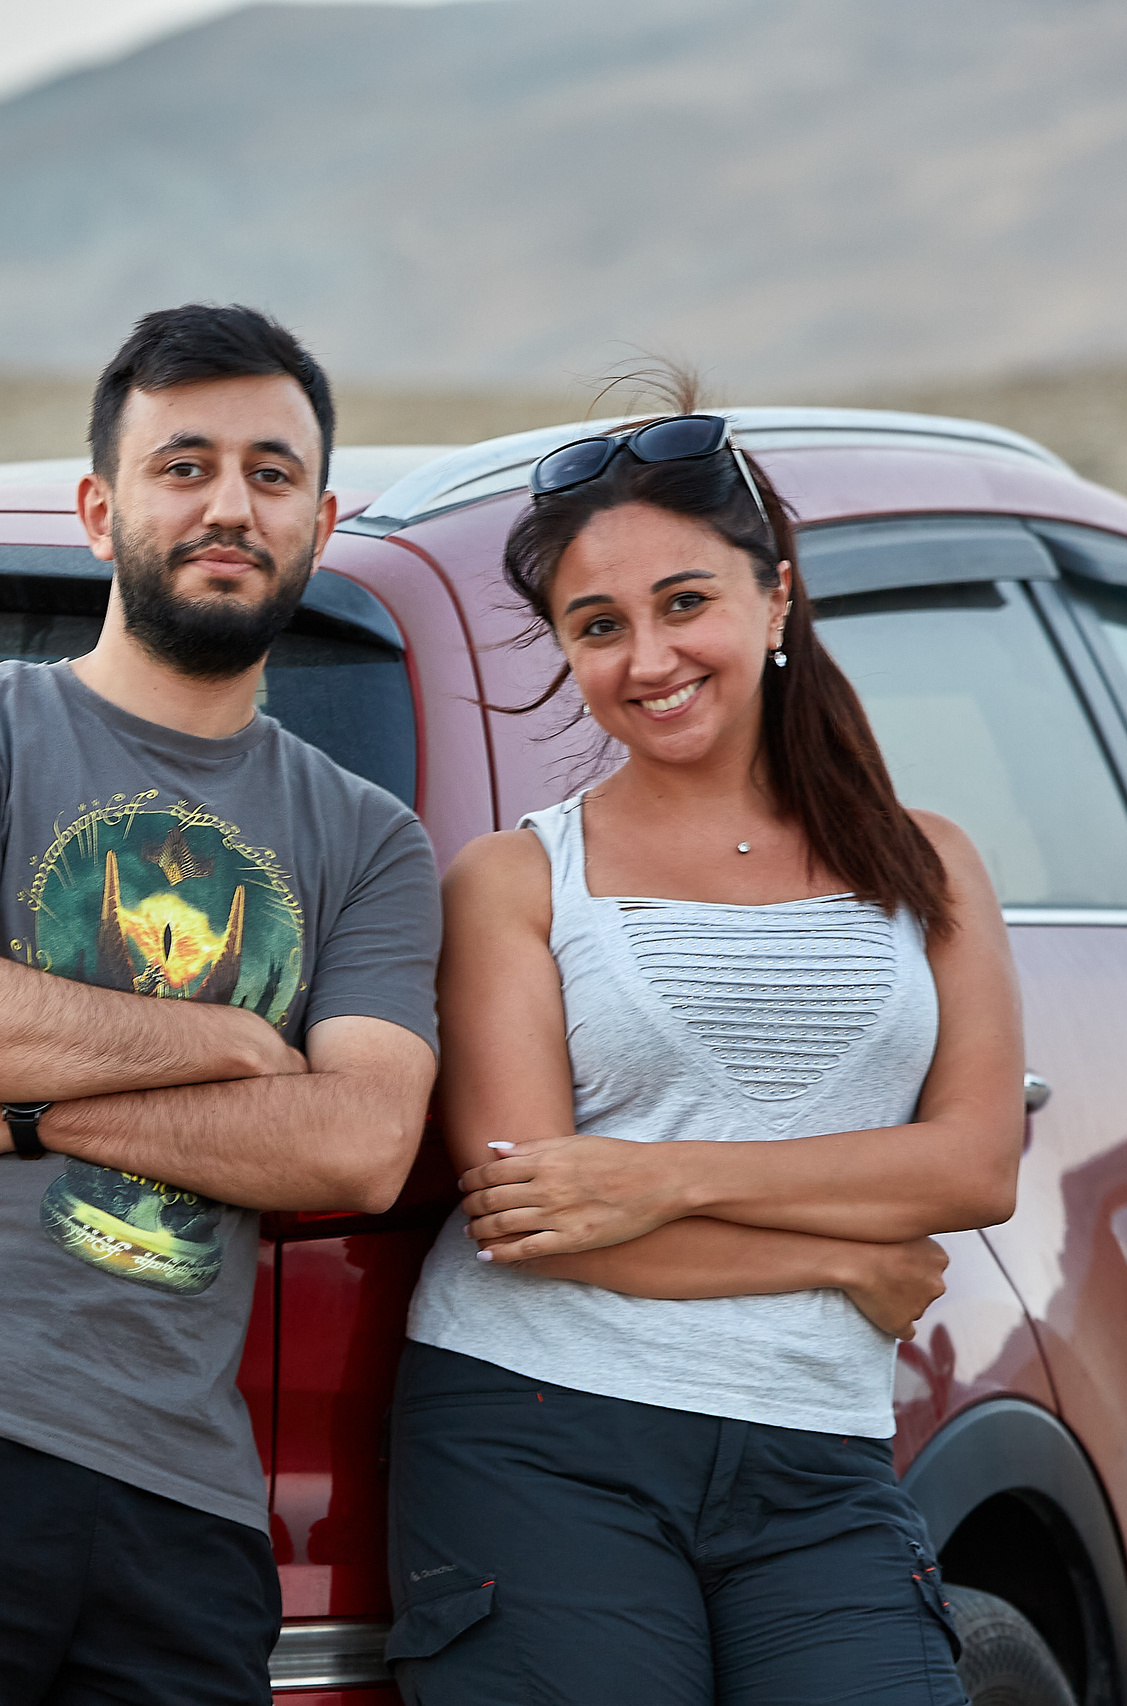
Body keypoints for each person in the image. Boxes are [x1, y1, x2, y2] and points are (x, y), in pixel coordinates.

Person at [0, 304, 442, 1706]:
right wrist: (238, 1043)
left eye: (269, 470)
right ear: (99, 506)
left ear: (319, 514)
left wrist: (21, 1112)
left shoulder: (369, 842)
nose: (229, 503)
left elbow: (359, 1142)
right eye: (183, 464)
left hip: (180, 1491)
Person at [385, 391, 1024, 1705]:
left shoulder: (928, 862)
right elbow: (530, 1217)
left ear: (777, 597)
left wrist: (656, 1176)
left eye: (686, 603)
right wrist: (846, 1249)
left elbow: (971, 1165)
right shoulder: (513, 882)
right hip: (540, 1426)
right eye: (599, 626)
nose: (649, 656)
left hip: (819, 1454)